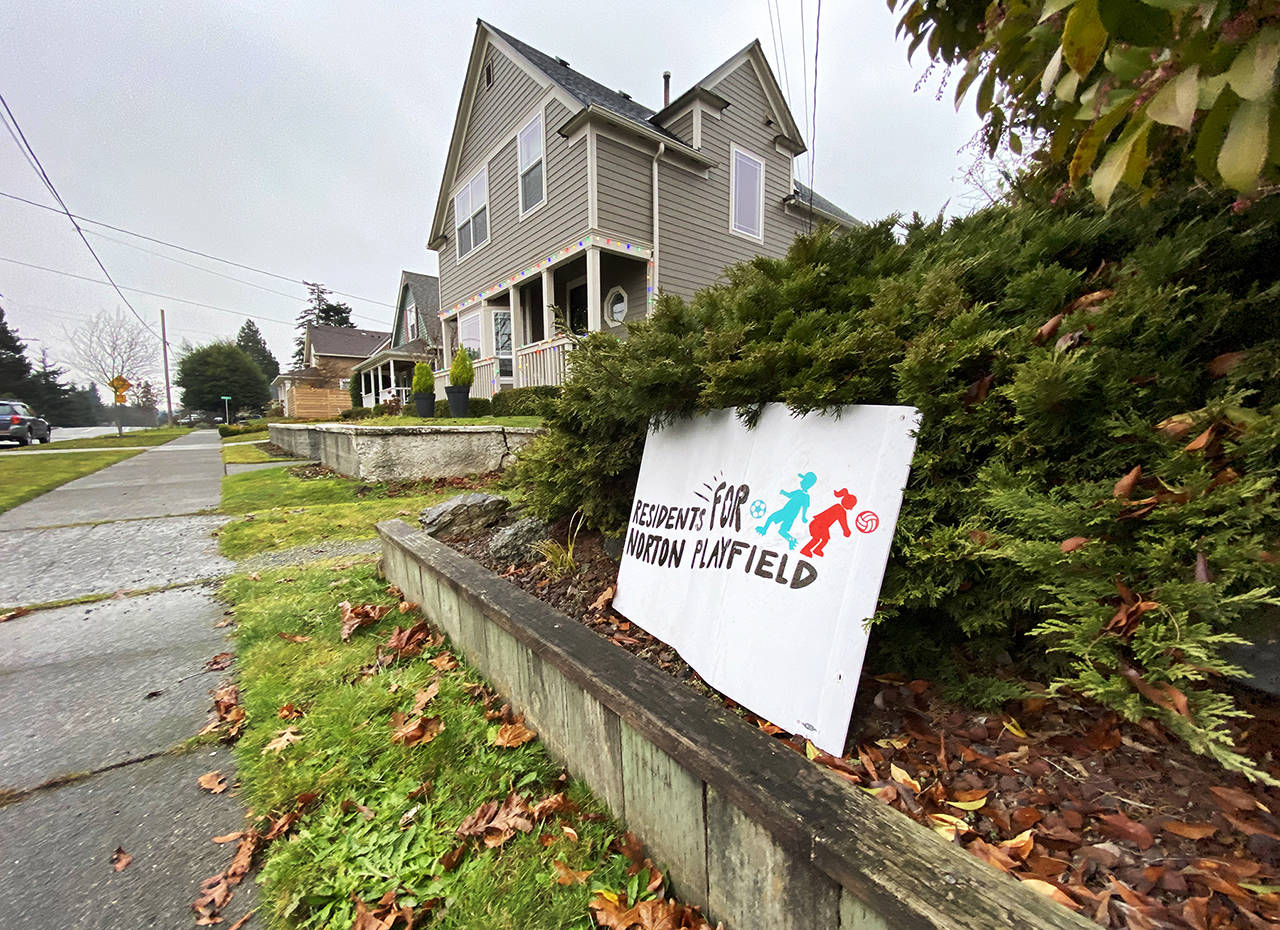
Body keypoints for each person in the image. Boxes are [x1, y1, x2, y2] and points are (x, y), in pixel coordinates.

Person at [756, 472, 817, 550]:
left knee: (782, 531)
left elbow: (804, 507)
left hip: (790, 515)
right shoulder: (798, 491)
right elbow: (790, 495)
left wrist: (803, 517)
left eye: (803, 481)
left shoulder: (806, 497)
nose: (801, 482)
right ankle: (764, 529)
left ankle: (792, 540)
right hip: (785, 511)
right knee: (771, 517)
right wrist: (784, 493)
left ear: (808, 484)